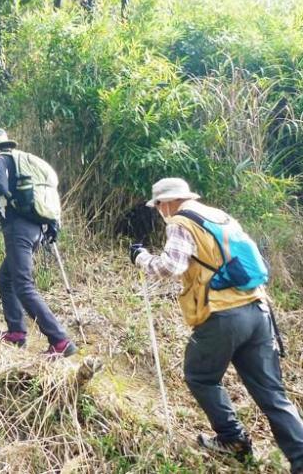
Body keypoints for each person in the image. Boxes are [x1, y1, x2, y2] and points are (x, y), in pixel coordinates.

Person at [130, 178, 303, 471]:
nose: (159, 211)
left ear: (168, 202)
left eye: (158, 205)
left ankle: (232, 438)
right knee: (273, 395)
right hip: (258, 310)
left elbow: (171, 267)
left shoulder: (181, 222)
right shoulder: (220, 217)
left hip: (224, 314)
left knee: (199, 375)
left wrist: (141, 258)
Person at [0, 127, 77, 358]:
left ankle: (60, 340)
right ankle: (16, 332)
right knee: (5, 279)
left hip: (18, 230)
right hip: (36, 228)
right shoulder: (22, 162)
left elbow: (0, 188)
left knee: (23, 285)